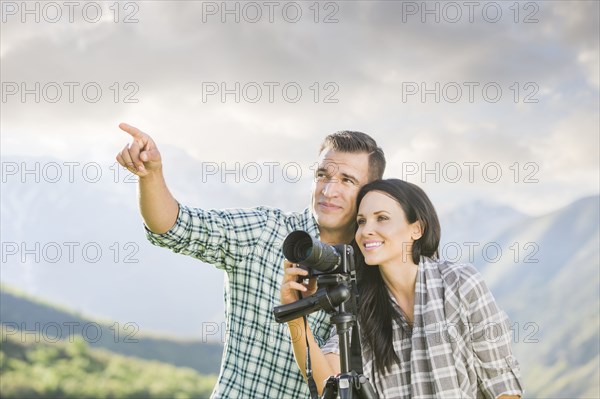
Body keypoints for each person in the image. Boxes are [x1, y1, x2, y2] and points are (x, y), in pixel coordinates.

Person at [115, 123, 386, 398]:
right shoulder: (264, 231)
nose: (329, 190)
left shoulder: (371, 278)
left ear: (370, 194)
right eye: (322, 175)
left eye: (347, 180)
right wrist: (150, 175)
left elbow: (333, 380)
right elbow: (174, 227)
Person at [281, 178, 524, 398]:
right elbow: (328, 383)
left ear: (417, 228)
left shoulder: (459, 283)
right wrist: (294, 315)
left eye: (382, 218)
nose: (366, 231)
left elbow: (503, 386)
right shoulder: (361, 305)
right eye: (361, 221)